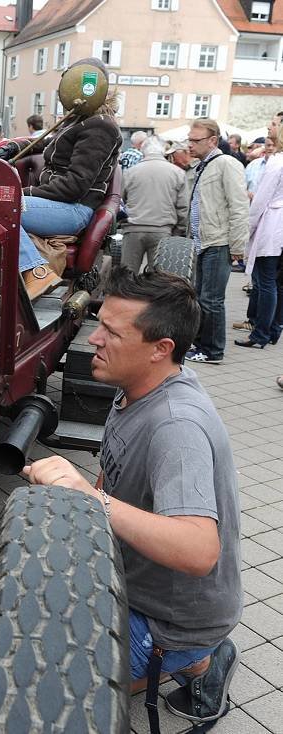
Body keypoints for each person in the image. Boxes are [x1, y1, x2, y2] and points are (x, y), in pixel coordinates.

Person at [26, 266, 241, 726]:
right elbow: (113, 474)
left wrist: (90, 499)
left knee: (57, 693)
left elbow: (200, 550)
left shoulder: (176, 426)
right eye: (98, 323)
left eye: (111, 332)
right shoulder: (134, 389)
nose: (93, 340)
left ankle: (198, 657)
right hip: (138, 583)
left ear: (160, 350)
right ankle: (198, 658)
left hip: (174, 619)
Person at [13, 59, 122, 298]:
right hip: (60, 206)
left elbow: (74, 187)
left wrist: (22, 193)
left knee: (2, 208)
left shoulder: (99, 127)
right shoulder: (79, 122)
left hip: (72, 209)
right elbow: (47, 144)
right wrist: (10, 147)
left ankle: (35, 272)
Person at [184, 118, 249, 365]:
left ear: (212, 140)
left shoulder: (226, 164)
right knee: (203, 297)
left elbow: (240, 206)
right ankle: (201, 344)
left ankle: (213, 350)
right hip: (205, 242)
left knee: (212, 300)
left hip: (218, 242)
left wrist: (238, 246)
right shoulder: (204, 165)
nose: (190, 144)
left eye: (195, 140)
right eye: (189, 139)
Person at [236, 122, 283, 349]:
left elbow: (261, 199)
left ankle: (261, 333)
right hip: (278, 226)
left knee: (265, 283)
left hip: (272, 225)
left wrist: (249, 228)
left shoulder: (276, 163)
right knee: (275, 283)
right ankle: (273, 329)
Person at [120, 135, 187, 271]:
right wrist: (179, 230)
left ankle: (126, 292)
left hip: (133, 229)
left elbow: (122, 201)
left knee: (127, 274)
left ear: (143, 151)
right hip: (163, 230)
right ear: (163, 151)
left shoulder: (130, 172)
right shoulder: (177, 173)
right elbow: (183, 207)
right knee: (158, 277)